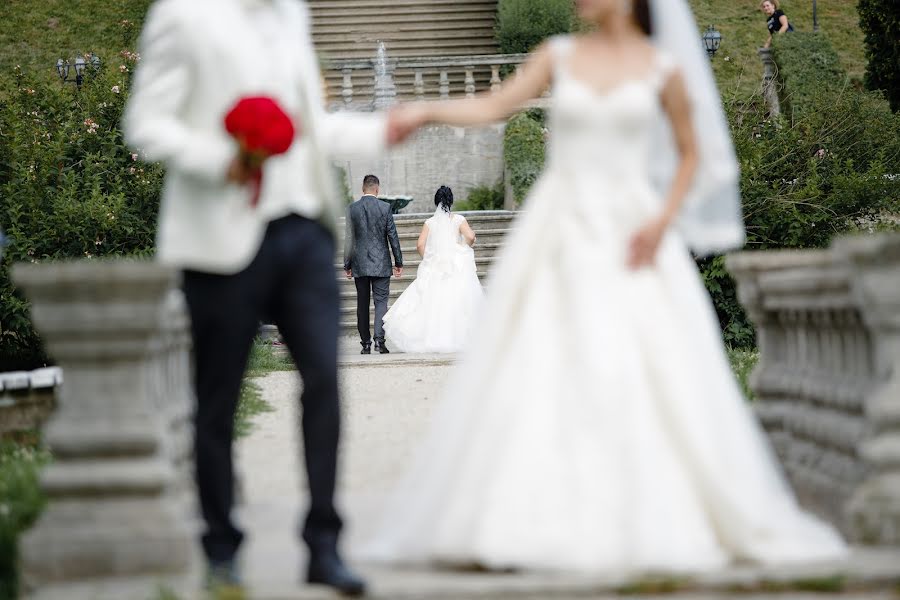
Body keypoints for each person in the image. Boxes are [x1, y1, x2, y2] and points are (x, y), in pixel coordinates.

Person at [363, 0, 846, 574]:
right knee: (543, 357)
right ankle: (533, 507)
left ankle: (644, 506)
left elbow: (695, 155)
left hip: (631, 226)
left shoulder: (662, 67)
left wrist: (662, 220)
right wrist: (424, 111)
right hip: (559, 226)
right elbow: (496, 102)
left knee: (639, 356)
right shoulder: (557, 55)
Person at [124, 0, 412, 595]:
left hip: (302, 227)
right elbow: (147, 123)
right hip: (221, 235)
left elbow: (309, 124)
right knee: (217, 398)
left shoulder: (291, 14)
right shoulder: (183, 16)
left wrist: (385, 126)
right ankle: (222, 548)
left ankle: (324, 543)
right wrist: (225, 159)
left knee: (325, 380)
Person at [382, 186, 483, 353]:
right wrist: (461, 247)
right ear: (451, 201)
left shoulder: (430, 222)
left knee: (431, 303)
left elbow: (420, 244)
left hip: (435, 266)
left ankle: (431, 339)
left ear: (436, 201)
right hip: (454, 267)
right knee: (457, 302)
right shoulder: (458, 219)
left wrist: (429, 259)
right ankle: (456, 338)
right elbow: (471, 237)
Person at [343, 174, 403, 355]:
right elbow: (392, 236)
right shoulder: (385, 208)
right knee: (381, 302)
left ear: (363, 189)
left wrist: (347, 264)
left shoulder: (352, 209)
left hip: (360, 263)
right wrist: (398, 261)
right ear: (377, 189)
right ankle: (379, 341)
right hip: (381, 263)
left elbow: (349, 239)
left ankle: (366, 344)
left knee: (362, 304)